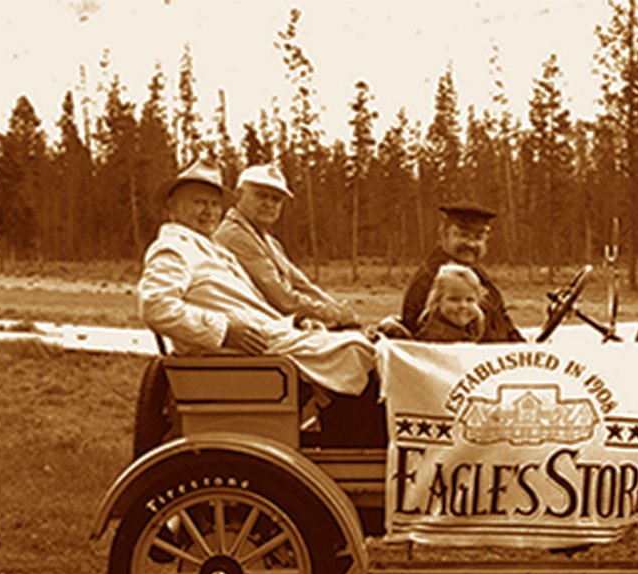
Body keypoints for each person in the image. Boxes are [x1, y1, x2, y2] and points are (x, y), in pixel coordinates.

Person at [136, 159, 374, 396]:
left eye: (214, 204)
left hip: (263, 342)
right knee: (360, 352)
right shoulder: (174, 248)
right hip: (245, 354)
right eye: (199, 203)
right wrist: (223, 331)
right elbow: (155, 306)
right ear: (172, 208)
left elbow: (264, 300)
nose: (209, 212)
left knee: (367, 348)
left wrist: (296, 322)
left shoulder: (213, 249)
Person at [214, 163, 358, 330]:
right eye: (261, 195)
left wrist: (335, 307)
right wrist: (332, 314)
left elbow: (301, 284)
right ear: (239, 195)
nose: (269, 204)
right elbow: (282, 299)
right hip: (248, 327)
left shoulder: (270, 242)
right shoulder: (233, 236)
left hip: (271, 323)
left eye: (276, 199)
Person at [400, 202, 524, 342]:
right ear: (444, 235)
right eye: (463, 236)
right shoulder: (433, 278)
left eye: (478, 238)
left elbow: (502, 320)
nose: (471, 244)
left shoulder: (476, 273)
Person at [415, 264, 486, 342]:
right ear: (437, 300)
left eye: (470, 300)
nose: (463, 305)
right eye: (454, 299)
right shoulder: (434, 337)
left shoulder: (474, 328)